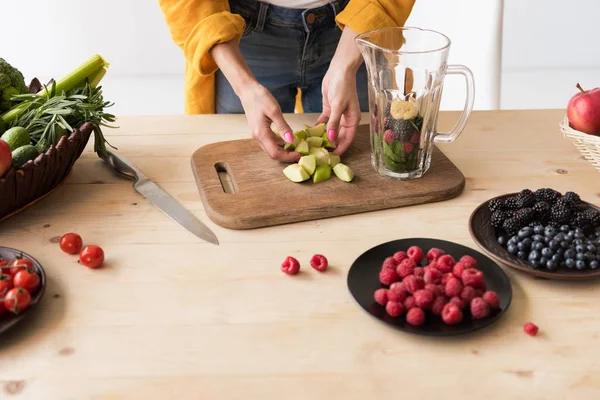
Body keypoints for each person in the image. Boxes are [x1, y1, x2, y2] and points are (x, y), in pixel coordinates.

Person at [158, 0, 415, 161]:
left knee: (370, 157)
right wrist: (245, 87)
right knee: (239, 158)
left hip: (355, 32)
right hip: (238, 38)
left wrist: (345, 65)